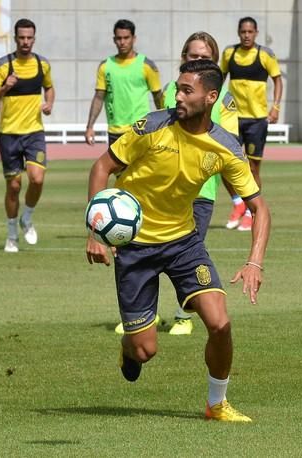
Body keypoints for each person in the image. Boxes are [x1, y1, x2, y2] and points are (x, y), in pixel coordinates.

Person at [86, 59, 270, 422]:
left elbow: (260, 208)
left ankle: (216, 404)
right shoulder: (152, 126)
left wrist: (254, 262)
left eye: (187, 90)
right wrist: (96, 233)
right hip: (135, 247)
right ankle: (128, 347)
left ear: (210, 97)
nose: (178, 96)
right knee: (145, 351)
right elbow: (101, 168)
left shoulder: (225, 147)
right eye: (177, 88)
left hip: (184, 244)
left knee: (220, 323)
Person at [160, 32, 239, 336]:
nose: (198, 60)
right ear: (184, 58)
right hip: (163, 189)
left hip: (201, 190)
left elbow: (229, 141)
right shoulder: (171, 90)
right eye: (193, 56)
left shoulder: (225, 98)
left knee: (188, 253)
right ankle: (146, 315)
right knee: (149, 250)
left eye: (204, 56)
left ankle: (183, 316)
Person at [0, 18, 55, 253]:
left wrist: (49, 103)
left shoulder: (42, 64)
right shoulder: (3, 65)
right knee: (14, 186)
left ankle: (28, 216)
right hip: (9, 135)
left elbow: (49, 87)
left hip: (34, 132)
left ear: (34, 39)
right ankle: (12, 233)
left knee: (37, 179)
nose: (25, 42)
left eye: (29, 38)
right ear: (15, 39)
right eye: (21, 38)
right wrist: (5, 87)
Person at [221, 16, 283, 231]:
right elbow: (218, 81)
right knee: (225, 165)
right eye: (243, 32)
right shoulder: (229, 53)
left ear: (256, 33)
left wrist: (275, 107)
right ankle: (238, 203)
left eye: (250, 32)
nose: (246, 35)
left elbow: (277, 80)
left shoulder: (264, 54)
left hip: (257, 120)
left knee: (253, 168)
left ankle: (250, 211)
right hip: (232, 120)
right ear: (239, 33)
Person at [85, 19, 163, 146]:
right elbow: (99, 98)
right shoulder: (105, 66)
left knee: (141, 167)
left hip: (140, 129)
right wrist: (89, 127)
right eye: (119, 38)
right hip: (115, 131)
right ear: (114, 39)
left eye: (126, 38)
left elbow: (158, 97)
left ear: (134, 38)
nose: (122, 42)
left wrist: (166, 123)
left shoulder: (147, 65)